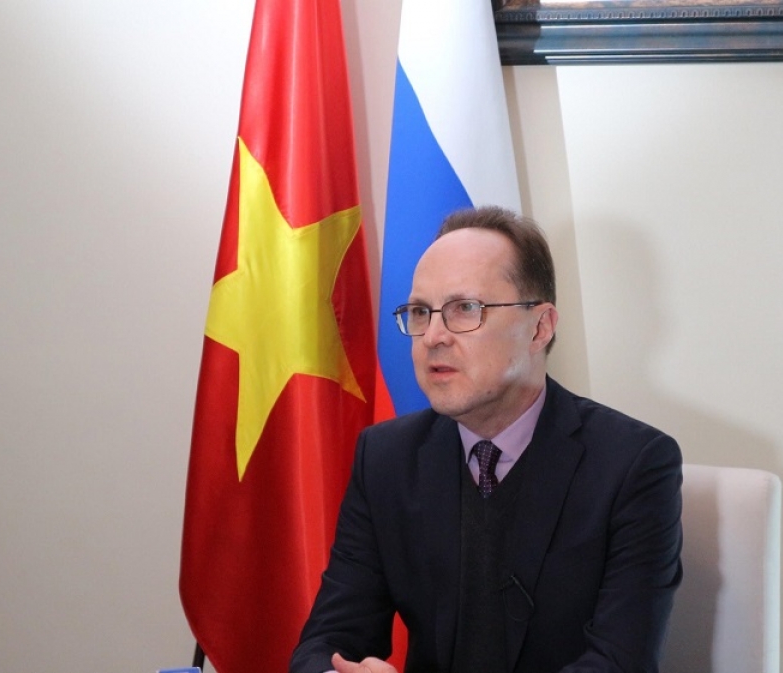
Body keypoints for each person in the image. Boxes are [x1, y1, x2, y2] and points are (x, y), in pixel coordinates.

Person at [290, 206, 683, 673]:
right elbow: (328, 641)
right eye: (420, 312)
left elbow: (618, 663)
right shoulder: (386, 458)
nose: (432, 336)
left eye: (465, 309)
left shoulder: (633, 464)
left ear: (539, 328)